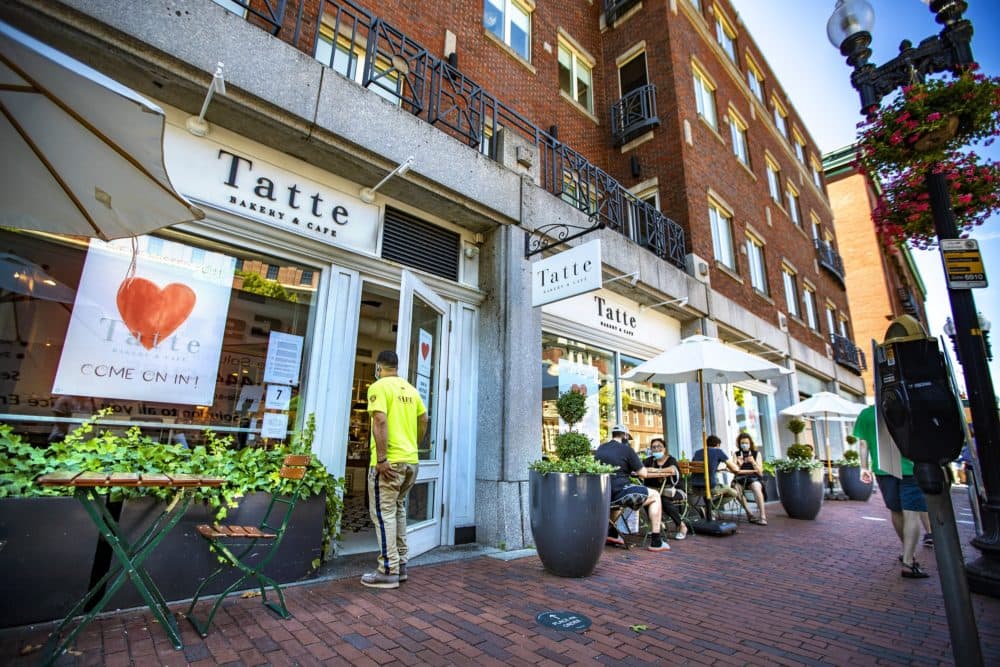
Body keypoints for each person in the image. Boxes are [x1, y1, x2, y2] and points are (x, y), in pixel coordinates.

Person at [361, 350, 428, 589]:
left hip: (390, 463)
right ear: (397, 367)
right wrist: (414, 445)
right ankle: (400, 566)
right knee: (397, 510)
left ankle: (387, 570)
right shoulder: (410, 389)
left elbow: (379, 420)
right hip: (411, 462)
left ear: (379, 367)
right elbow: (424, 419)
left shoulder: (378, 387)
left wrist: (381, 458)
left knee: (383, 514)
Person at [854, 405, 930, 579]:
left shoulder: (867, 414)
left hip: (884, 468)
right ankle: (908, 560)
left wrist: (864, 467)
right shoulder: (908, 407)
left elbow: (863, 443)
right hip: (910, 466)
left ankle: (907, 554)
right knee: (911, 513)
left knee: (895, 510)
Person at [595, 424, 670, 552]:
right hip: (621, 493)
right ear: (624, 436)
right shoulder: (626, 449)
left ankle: (611, 533)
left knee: (618, 505)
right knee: (655, 495)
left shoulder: (601, 448)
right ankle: (656, 541)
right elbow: (643, 474)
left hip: (604, 493)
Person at [689, 435, 756, 523]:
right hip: (710, 488)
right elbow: (735, 469)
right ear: (717, 445)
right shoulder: (718, 451)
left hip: (695, 488)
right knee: (733, 493)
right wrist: (739, 463)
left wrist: (716, 469)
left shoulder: (698, 452)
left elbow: (702, 467)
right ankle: (708, 509)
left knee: (717, 487)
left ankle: (708, 510)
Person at [642, 437, 689, 539]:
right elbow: (641, 470)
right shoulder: (648, 460)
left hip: (674, 491)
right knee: (646, 498)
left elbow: (672, 470)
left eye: (659, 446)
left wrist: (652, 470)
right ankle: (658, 524)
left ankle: (682, 526)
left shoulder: (671, 460)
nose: (656, 449)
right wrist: (655, 470)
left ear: (664, 448)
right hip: (656, 491)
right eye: (653, 447)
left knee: (662, 500)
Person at [731, 433, 767, 525]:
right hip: (740, 478)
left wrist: (753, 462)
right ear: (739, 444)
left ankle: (763, 516)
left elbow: (760, 472)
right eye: (742, 443)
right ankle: (749, 514)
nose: (744, 445)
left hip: (753, 477)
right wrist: (739, 464)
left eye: (746, 443)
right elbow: (734, 470)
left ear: (750, 443)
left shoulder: (756, 453)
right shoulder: (737, 454)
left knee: (756, 487)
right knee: (736, 489)